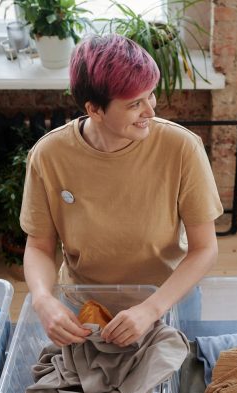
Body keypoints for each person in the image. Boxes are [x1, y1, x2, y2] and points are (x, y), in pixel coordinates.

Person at [20, 34, 223, 347]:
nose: (150, 111)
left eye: (150, 96)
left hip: (167, 302)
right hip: (84, 309)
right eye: (134, 104)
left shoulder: (182, 147)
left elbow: (204, 248)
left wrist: (152, 308)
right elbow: (38, 246)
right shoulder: (48, 155)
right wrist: (43, 299)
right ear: (95, 110)